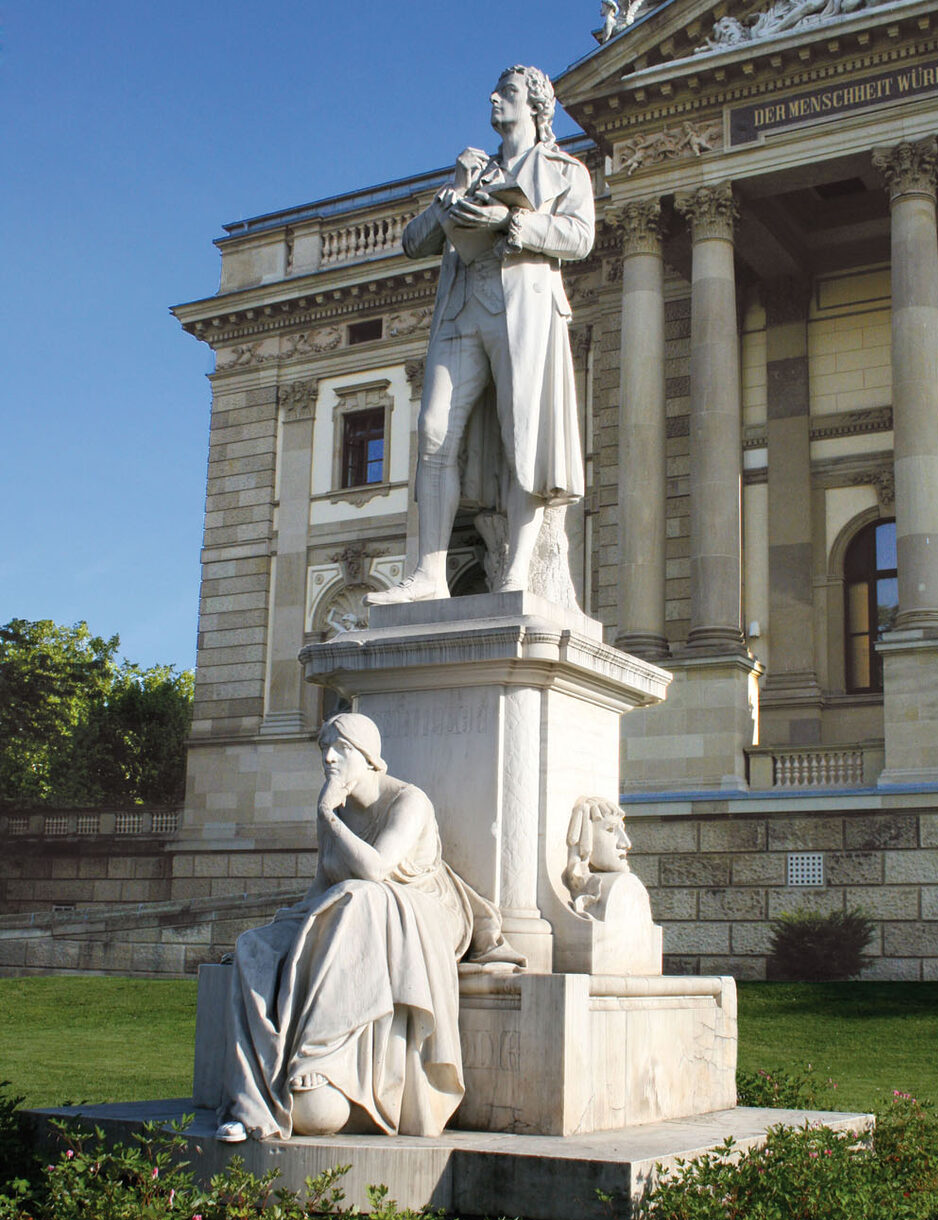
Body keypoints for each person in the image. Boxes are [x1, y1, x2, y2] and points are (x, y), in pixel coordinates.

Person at [215, 712, 520, 1142]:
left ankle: (318, 1058)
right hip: (357, 910)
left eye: (341, 749)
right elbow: (319, 893)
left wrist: (327, 813)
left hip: (427, 913)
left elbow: (376, 870)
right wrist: (276, 936)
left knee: (359, 897)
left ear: (370, 758)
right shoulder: (336, 814)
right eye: (325, 748)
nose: (330, 759)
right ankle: (250, 1104)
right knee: (254, 947)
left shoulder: (408, 801)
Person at [366, 65, 595, 605]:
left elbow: (580, 236)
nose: (494, 98)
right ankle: (428, 574)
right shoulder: (474, 169)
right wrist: (454, 192)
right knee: (433, 430)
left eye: (508, 92)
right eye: (495, 91)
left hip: (522, 310)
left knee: (524, 436)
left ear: (536, 107)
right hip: (462, 309)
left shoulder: (566, 171)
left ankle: (517, 571)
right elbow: (413, 242)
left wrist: (513, 222)